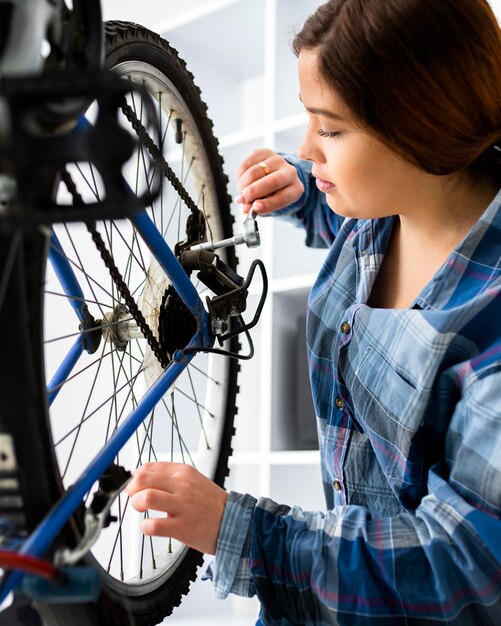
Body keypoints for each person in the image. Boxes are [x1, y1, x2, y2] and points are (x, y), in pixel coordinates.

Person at [126, 0, 501, 623]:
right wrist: (305, 193)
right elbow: (360, 222)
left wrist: (240, 530)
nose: (305, 147)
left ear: (421, 125)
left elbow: (463, 570)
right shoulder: (397, 201)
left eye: (329, 130)